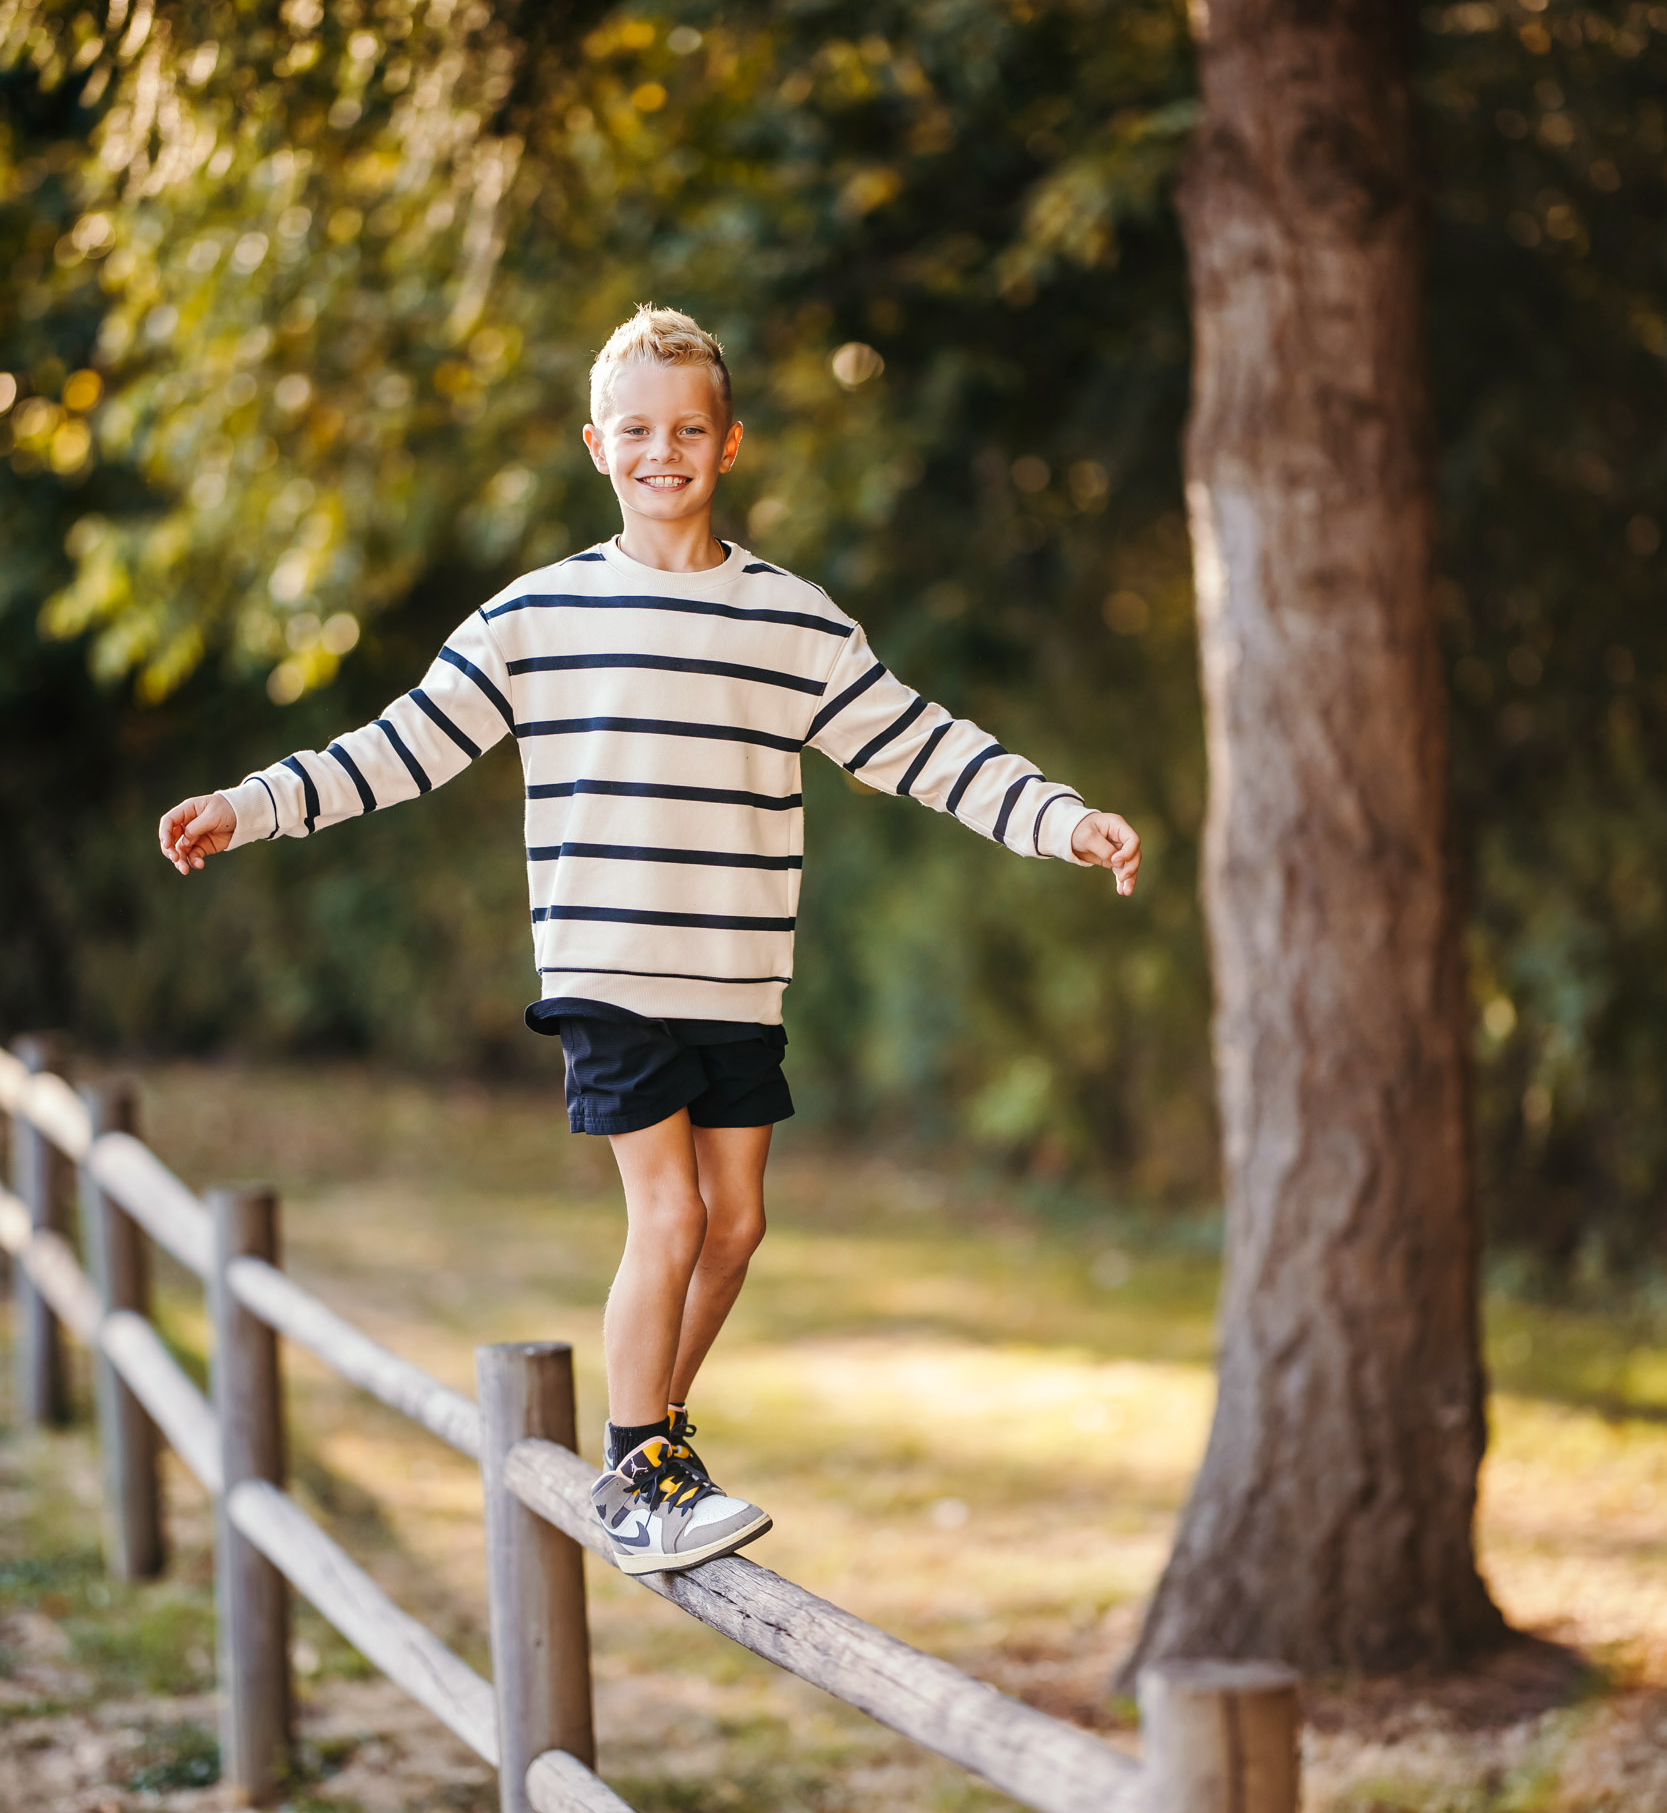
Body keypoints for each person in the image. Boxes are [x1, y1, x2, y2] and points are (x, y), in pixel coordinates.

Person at [158, 305, 1141, 1575]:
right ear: (594, 444)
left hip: (736, 973)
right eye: (634, 430)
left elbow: (924, 744)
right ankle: (648, 1466)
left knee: (735, 1227)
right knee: (668, 1216)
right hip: (607, 967)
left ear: (727, 446)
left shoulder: (792, 622)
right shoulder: (536, 615)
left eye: (687, 429)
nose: (660, 451)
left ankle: (645, 1448)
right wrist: (250, 804)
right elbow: (395, 747)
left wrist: (1059, 818)